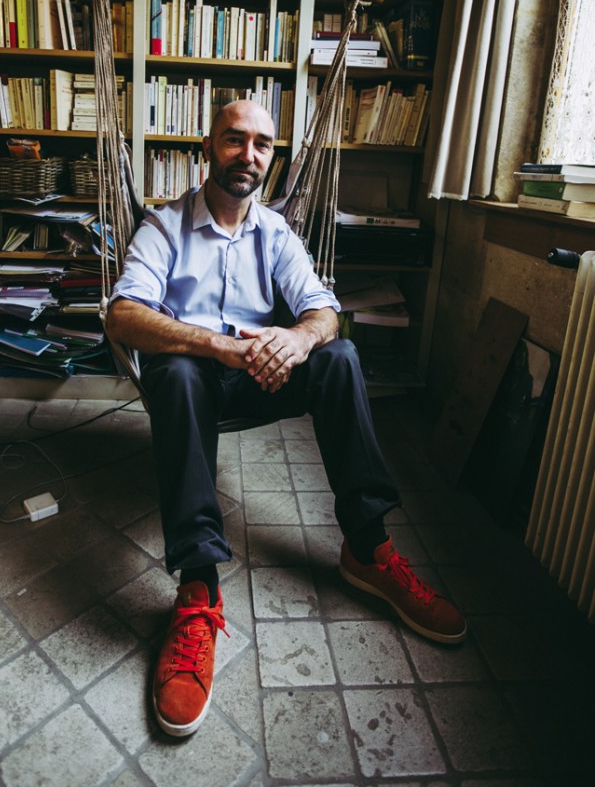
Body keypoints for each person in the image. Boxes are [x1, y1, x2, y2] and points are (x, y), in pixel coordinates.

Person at [105, 99, 466, 738]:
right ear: (208, 144)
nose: (249, 155)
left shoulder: (275, 232)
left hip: (257, 377)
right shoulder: (164, 227)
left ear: (273, 155)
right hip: (194, 379)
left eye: (263, 144)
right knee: (179, 370)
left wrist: (295, 342)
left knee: (340, 356)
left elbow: (323, 313)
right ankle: (197, 590)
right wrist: (217, 345)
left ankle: (368, 547)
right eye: (234, 139)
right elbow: (123, 317)